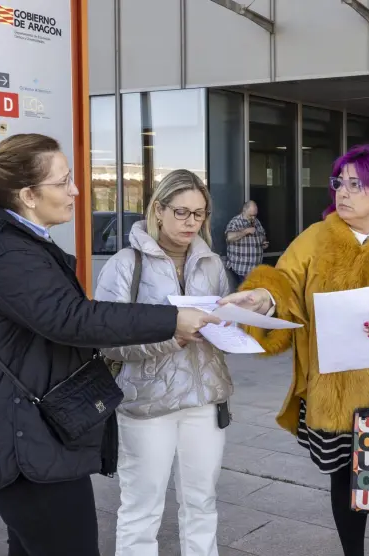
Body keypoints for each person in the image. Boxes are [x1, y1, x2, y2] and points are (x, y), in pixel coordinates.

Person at [0, 133, 219, 556]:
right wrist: (172, 320)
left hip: (32, 431)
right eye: (64, 181)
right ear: (29, 195)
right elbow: (73, 318)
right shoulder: (7, 253)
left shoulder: (17, 242)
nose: (76, 190)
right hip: (23, 438)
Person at [219, 144, 369, 556]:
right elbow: (285, 282)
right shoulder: (316, 237)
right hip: (333, 393)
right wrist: (262, 297)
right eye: (339, 182)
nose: (342, 192)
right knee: (345, 486)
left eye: (355, 184)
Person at [94, 169, 232, 556]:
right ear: (158, 210)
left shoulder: (212, 264)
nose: (191, 223)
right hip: (146, 404)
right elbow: (106, 340)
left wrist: (236, 329)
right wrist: (172, 336)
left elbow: (223, 326)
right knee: (142, 509)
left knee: (202, 504)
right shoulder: (125, 264)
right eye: (182, 212)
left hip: (204, 401)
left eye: (200, 214)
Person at [224, 200, 267, 287]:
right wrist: (245, 231)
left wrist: (264, 243)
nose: (253, 218)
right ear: (244, 211)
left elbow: (263, 236)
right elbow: (229, 237)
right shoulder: (235, 222)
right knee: (245, 295)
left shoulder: (257, 222)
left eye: (255, 215)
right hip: (241, 269)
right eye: (250, 215)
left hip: (255, 269)